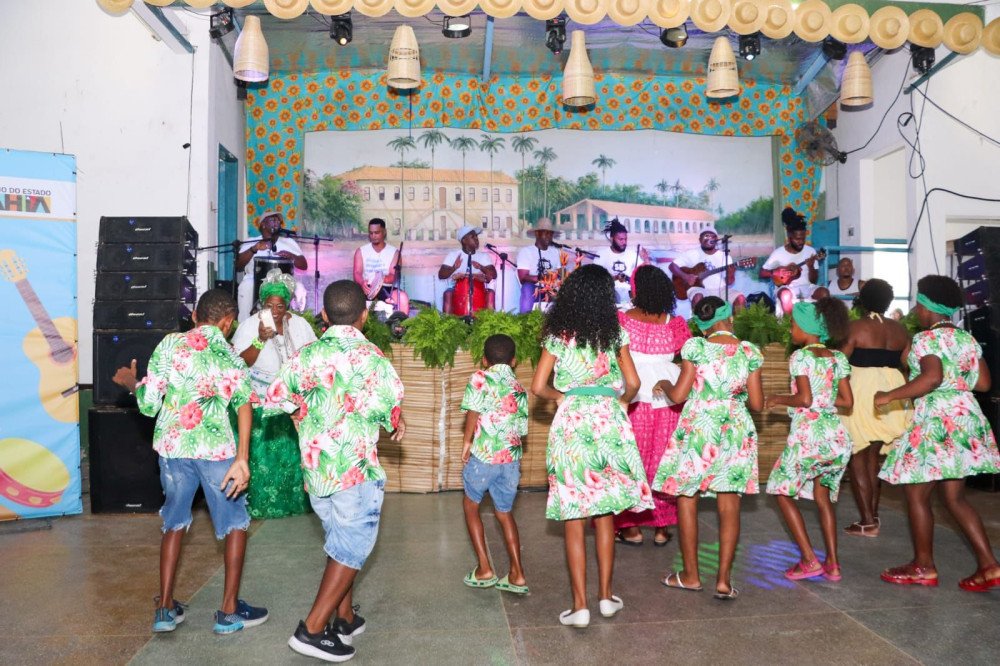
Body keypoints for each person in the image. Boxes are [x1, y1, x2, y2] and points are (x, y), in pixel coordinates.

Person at [112, 289, 268, 635]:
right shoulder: (229, 354)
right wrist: (242, 458)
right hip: (216, 453)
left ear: (196, 315)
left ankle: (166, 608)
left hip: (173, 450)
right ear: (227, 323)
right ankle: (228, 611)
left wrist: (130, 383)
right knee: (235, 523)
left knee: (175, 520)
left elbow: (149, 405)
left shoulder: (169, 345)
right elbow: (244, 404)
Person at [266, 280, 405, 662]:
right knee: (351, 547)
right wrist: (395, 421)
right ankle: (311, 630)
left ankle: (343, 617)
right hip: (354, 470)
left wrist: (301, 415)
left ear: (324, 316)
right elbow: (390, 412)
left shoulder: (305, 354)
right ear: (364, 316)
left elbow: (275, 396)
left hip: (317, 470)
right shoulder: (374, 357)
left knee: (338, 539)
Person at [530, 264, 653, 628]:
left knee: (574, 514)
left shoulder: (559, 335)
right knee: (606, 513)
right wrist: (621, 401)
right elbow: (632, 382)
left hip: (572, 422)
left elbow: (538, 387)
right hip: (609, 420)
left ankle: (579, 605)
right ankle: (606, 598)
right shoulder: (614, 334)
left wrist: (562, 396)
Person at [876, 275, 1000, 590]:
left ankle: (923, 566)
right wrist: (956, 382)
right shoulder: (966, 340)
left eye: (919, 303)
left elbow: (932, 377)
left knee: (916, 493)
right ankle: (988, 565)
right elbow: (983, 383)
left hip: (938, 420)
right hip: (966, 415)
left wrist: (891, 395)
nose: (916, 309)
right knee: (954, 497)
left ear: (929, 308)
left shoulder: (926, 340)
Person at [653, 296, 764, 600]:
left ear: (702, 327)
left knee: (687, 496)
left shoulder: (697, 348)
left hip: (701, 426)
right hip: (736, 428)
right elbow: (757, 404)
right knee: (730, 505)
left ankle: (690, 576)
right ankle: (724, 581)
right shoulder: (748, 351)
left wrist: (663, 381)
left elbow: (678, 396)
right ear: (730, 319)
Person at [765, 299, 854, 582]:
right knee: (823, 497)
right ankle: (834, 564)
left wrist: (778, 398)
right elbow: (847, 401)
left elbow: (804, 399)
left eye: (793, 324)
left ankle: (808, 559)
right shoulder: (837, 358)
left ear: (805, 327)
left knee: (781, 491)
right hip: (836, 437)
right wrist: (824, 401)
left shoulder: (801, 357)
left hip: (808, 437)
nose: (791, 329)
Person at [613, 265, 690, 547]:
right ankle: (662, 528)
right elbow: (689, 357)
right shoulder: (675, 323)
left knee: (632, 462)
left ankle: (630, 528)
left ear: (636, 290)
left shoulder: (621, 320)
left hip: (632, 399)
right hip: (668, 401)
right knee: (663, 462)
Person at [231, 269, 317, 519]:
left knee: (293, 456)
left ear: (287, 304)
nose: (275, 310)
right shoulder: (250, 325)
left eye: (280, 305)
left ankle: (298, 503)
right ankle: (261, 504)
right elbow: (239, 365)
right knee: (264, 458)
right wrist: (259, 339)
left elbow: (312, 355)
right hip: (261, 401)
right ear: (262, 303)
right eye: (270, 305)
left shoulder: (299, 325)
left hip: (294, 402)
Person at [838, 279, 911, 537]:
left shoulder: (855, 327)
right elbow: (907, 364)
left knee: (859, 456)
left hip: (862, 389)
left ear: (862, 299)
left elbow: (839, 363)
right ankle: (873, 515)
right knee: (873, 458)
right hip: (891, 391)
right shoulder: (900, 330)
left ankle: (867, 521)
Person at [460, 334, 530, 594]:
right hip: (510, 461)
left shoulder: (480, 378)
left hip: (484, 456)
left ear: (484, 359)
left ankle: (484, 568)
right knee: (504, 513)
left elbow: (473, 412)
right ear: (514, 361)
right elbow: (521, 430)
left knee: (470, 505)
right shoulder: (520, 389)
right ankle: (517, 574)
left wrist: (467, 442)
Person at [235, 211, 308, 320]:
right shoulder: (251, 242)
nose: (277, 222)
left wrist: (291, 256)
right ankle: (244, 326)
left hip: (283, 282)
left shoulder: (289, 242)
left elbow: (304, 265)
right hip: (255, 281)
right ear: (263, 224)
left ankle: (296, 326)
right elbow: (238, 266)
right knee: (246, 286)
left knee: (299, 288)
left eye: (279, 221)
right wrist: (254, 249)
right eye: (273, 220)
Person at [759, 207, 828, 315]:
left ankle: (817, 326)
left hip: (807, 287)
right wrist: (777, 271)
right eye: (797, 239)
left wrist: (810, 267)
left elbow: (813, 281)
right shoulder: (779, 253)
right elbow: (762, 272)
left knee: (824, 293)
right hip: (787, 288)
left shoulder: (811, 251)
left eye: (803, 238)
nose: (801, 242)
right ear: (789, 236)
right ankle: (790, 325)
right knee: (785, 295)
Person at [669, 228, 746, 312]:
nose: (709, 238)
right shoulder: (692, 253)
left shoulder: (725, 256)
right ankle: (697, 324)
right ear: (700, 240)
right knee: (698, 297)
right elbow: (672, 266)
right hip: (699, 289)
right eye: (706, 236)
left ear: (716, 239)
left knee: (740, 299)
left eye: (712, 236)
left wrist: (730, 274)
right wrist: (686, 277)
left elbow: (729, 282)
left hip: (721, 289)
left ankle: (737, 324)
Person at [439, 225, 498, 315]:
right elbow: (441, 275)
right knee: (447, 293)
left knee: (491, 293)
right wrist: (454, 268)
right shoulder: (453, 255)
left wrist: (481, 267)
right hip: (457, 289)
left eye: (476, 236)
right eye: (472, 237)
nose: (476, 239)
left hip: (479, 288)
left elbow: (494, 275)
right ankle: (447, 323)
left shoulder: (483, 256)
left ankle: (489, 325)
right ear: (464, 240)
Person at [594, 218, 650, 304]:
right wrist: (615, 278)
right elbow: (595, 279)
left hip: (630, 301)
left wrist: (646, 259)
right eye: (620, 239)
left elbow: (647, 273)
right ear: (612, 238)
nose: (624, 242)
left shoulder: (632, 254)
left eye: (625, 239)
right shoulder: (601, 255)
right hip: (607, 300)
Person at [353, 217, 405, 310]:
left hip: (386, 287)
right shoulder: (360, 251)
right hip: (365, 288)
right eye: (371, 233)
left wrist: (380, 281)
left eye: (377, 233)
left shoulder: (394, 252)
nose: (373, 236)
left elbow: (393, 275)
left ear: (384, 232)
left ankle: (399, 324)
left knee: (402, 297)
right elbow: (357, 272)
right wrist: (362, 282)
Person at [516, 217, 563, 313]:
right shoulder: (526, 252)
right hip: (534, 289)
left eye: (551, 234)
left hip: (551, 289)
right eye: (546, 233)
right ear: (537, 233)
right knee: (527, 287)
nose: (549, 236)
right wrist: (543, 278)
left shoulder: (555, 252)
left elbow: (559, 275)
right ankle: (525, 319)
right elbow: (523, 278)